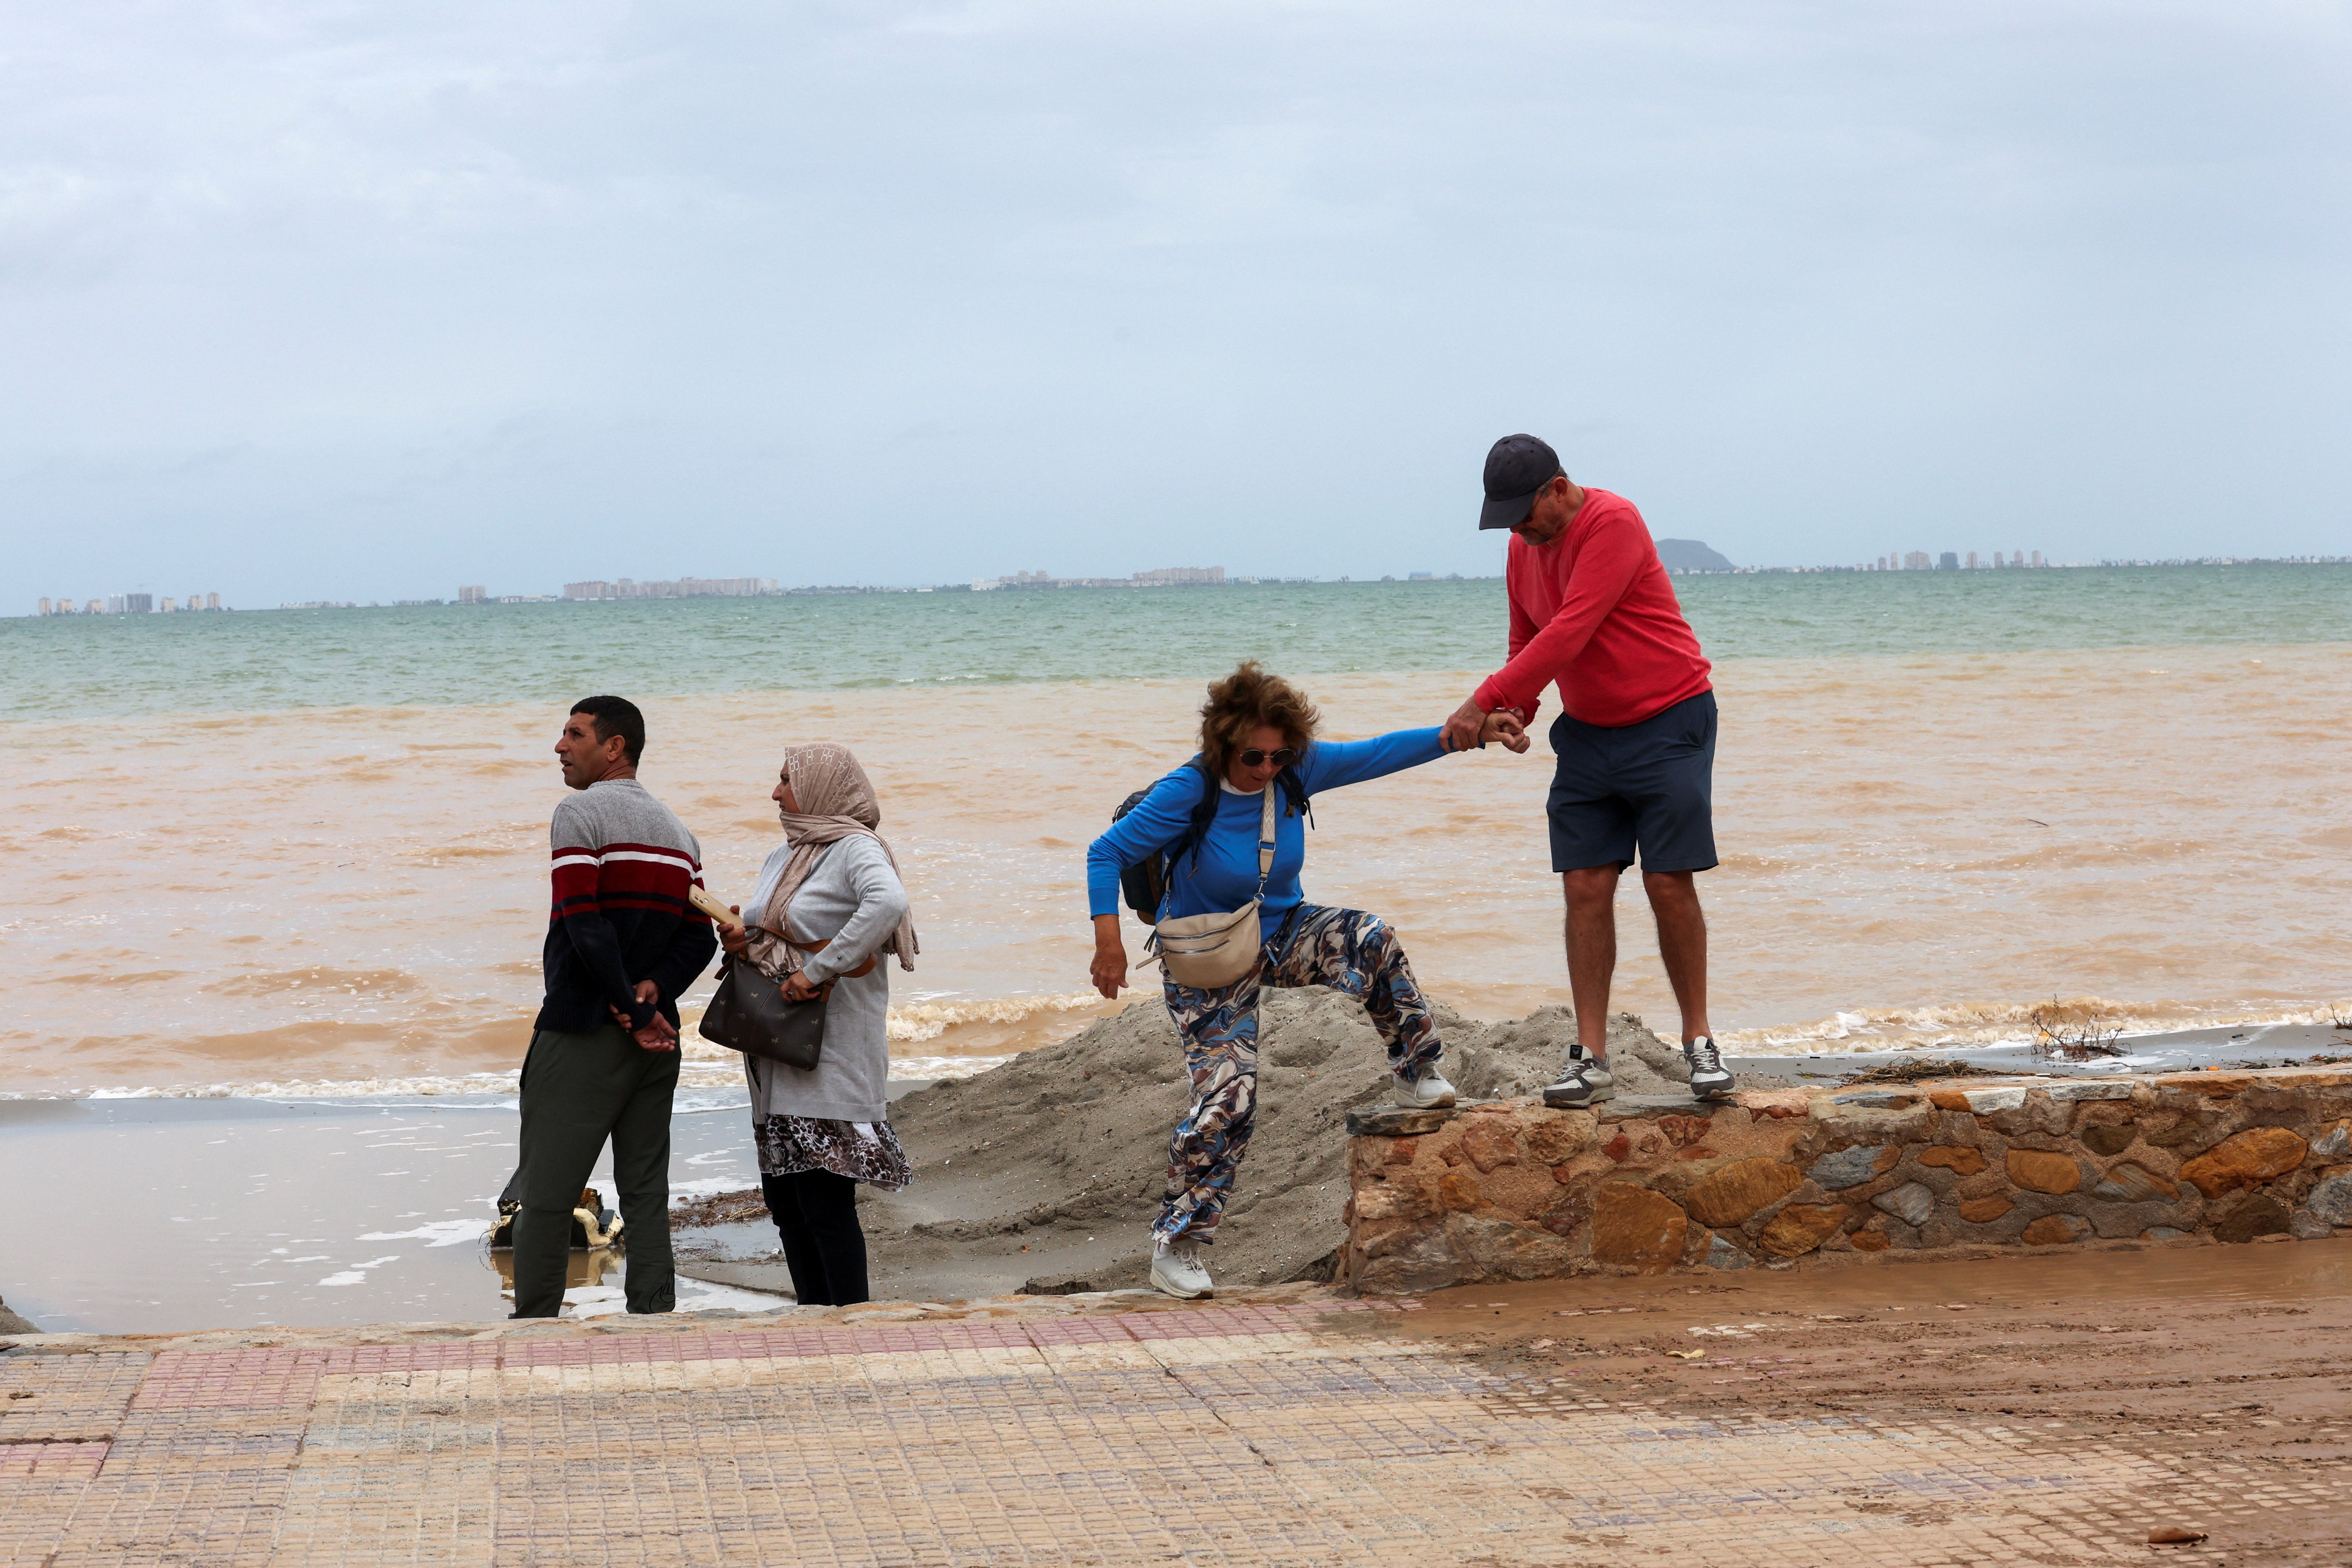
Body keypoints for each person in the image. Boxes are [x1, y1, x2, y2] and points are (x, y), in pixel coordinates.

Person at [1088, 661, 1529, 1299]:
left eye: (1279, 755)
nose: (1267, 768)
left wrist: (1471, 732)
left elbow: (1380, 754)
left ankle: (1415, 1072)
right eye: (1253, 757)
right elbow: (1106, 852)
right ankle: (1176, 1244)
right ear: (1222, 744)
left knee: (1370, 937)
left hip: (1282, 934)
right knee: (1227, 1101)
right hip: (1208, 957)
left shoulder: (1297, 770)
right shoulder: (1189, 790)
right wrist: (1108, 942)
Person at [1440, 433, 1731, 1109]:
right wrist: (1514, 708)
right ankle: (1592, 1057)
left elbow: (1571, 630)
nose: (1518, 529)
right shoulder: (1523, 548)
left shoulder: (1613, 522)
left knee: (1666, 880)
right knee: (1584, 885)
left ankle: (1700, 1041)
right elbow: (1529, 639)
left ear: (1559, 489)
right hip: (1591, 735)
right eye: (1508, 519)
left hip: (1669, 718)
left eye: (1525, 513)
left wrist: (1477, 702)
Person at [511, 696, 718, 1318]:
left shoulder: (579, 814)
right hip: (657, 1037)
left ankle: (535, 1325)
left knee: (545, 1195)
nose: (559, 746)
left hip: (585, 1029)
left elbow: (584, 921)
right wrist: (656, 990)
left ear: (615, 747)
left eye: (574, 734)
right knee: (646, 1191)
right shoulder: (679, 833)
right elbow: (699, 932)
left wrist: (627, 1004)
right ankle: (654, 1316)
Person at [716, 743, 916, 1308]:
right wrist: (743, 937)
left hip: (831, 1052)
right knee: (787, 1207)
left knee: (824, 1207)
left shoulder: (854, 849)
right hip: (776, 1047)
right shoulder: (785, 856)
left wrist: (817, 972)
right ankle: (814, 1322)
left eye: (786, 780)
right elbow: (778, 931)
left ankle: (852, 1325)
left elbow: (888, 903)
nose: (775, 791)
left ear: (823, 787)